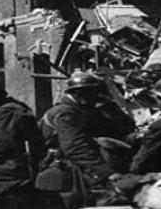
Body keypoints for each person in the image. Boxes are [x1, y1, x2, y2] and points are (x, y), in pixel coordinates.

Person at [38, 71, 135, 207]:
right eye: (91, 92)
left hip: (81, 168)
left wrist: (110, 105)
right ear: (78, 93)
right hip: (63, 172)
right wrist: (108, 173)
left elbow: (124, 128)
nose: (95, 96)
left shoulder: (86, 110)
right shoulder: (65, 113)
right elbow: (76, 148)